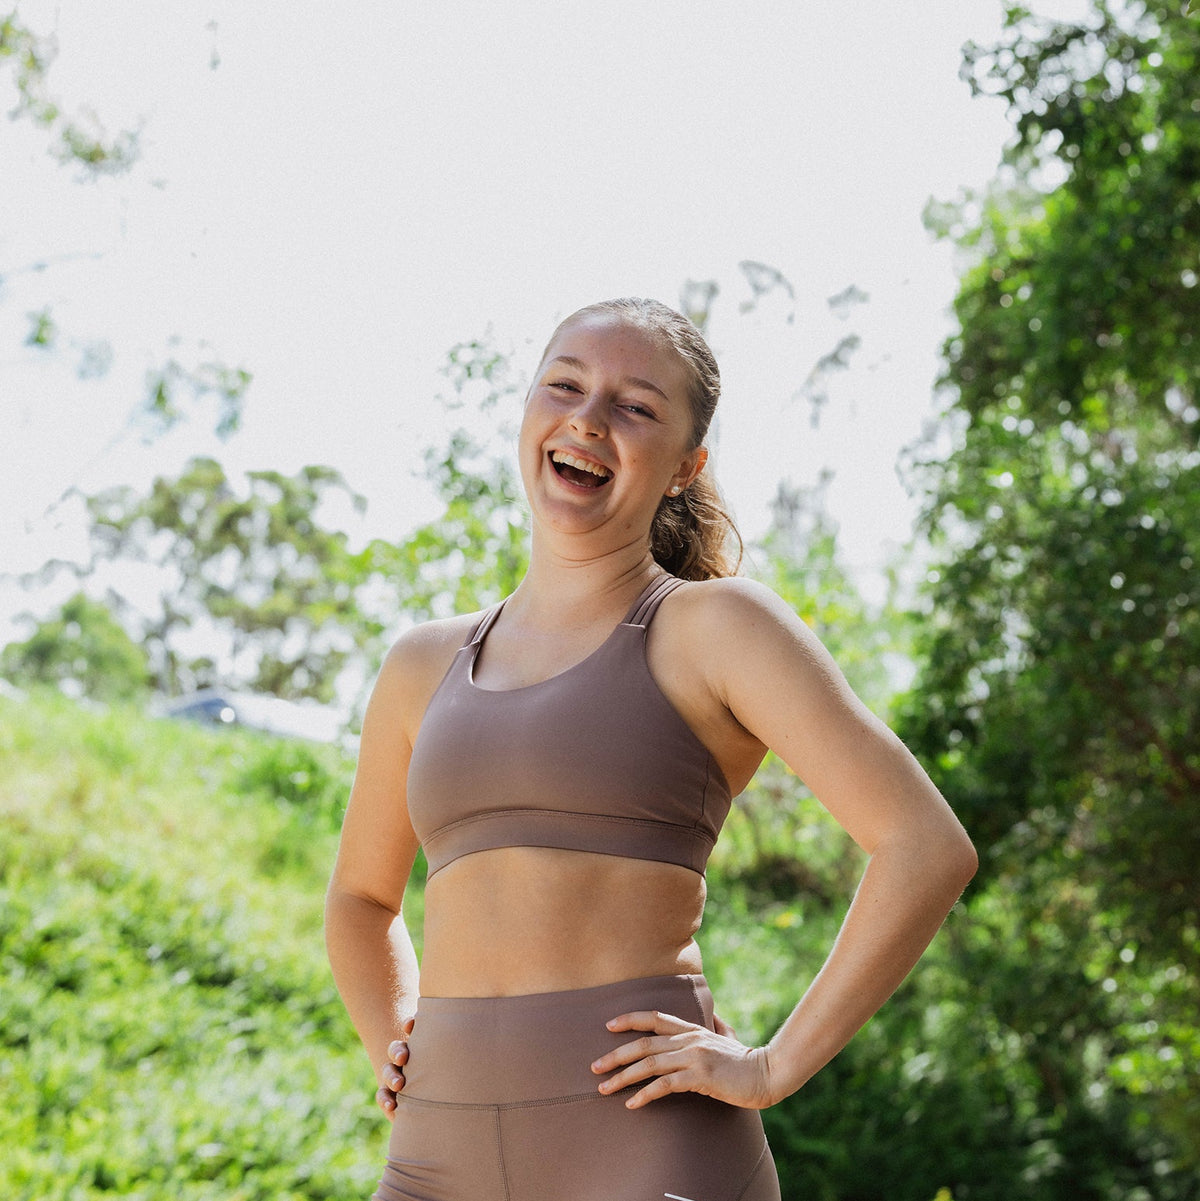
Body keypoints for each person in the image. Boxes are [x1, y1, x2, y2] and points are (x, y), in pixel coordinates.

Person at [325, 297, 978, 1201]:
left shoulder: (716, 628)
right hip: (435, 1158)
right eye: (565, 386)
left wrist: (771, 1065)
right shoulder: (420, 663)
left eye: (635, 406)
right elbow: (362, 899)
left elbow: (925, 844)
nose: (589, 419)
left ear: (685, 466)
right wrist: (394, 1037)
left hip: (643, 1148)